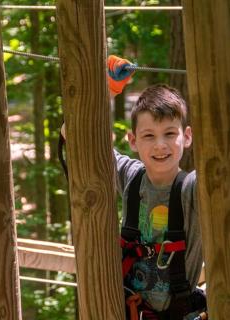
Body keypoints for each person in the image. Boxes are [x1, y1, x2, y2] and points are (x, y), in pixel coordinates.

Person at [108, 55, 205, 320]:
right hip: (128, 309)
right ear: (133, 140)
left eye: (170, 134)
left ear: (186, 137)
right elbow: (81, 139)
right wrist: (109, 91)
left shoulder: (196, 188)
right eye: (149, 135)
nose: (160, 144)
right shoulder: (131, 177)